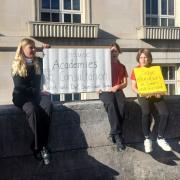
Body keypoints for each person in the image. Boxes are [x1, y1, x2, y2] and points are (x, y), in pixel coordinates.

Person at [11, 38, 52, 165]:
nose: (34, 50)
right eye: (31, 48)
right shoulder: (16, 64)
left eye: (35, 47)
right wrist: (37, 91)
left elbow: (52, 64)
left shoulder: (38, 61)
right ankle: (41, 148)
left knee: (48, 106)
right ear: (23, 49)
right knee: (33, 110)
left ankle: (37, 144)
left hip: (36, 95)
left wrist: (47, 51)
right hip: (22, 97)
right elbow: (20, 87)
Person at [131, 48, 172, 153]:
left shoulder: (155, 69)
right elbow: (133, 86)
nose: (143, 59)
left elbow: (160, 85)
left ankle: (160, 137)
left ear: (149, 58)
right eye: (141, 57)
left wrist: (160, 92)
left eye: (145, 57)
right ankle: (147, 138)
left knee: (165, 113)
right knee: (146, 112)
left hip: (156, 95)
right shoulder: (136, 70)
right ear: (138, 59)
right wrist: (141, 92)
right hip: (143, 94)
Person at [98, 43, 128, 151]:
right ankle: (117, 136)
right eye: (111, 51)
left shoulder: (122, 66)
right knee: (110, 104)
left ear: (119, 52)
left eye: (115, 51)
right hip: (105, 90)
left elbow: (125, 83)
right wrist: (97, 88)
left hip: (117, 90)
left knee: (122, 106)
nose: (114, 53)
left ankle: (114, 133)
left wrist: (117, 86)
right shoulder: (102, 65)